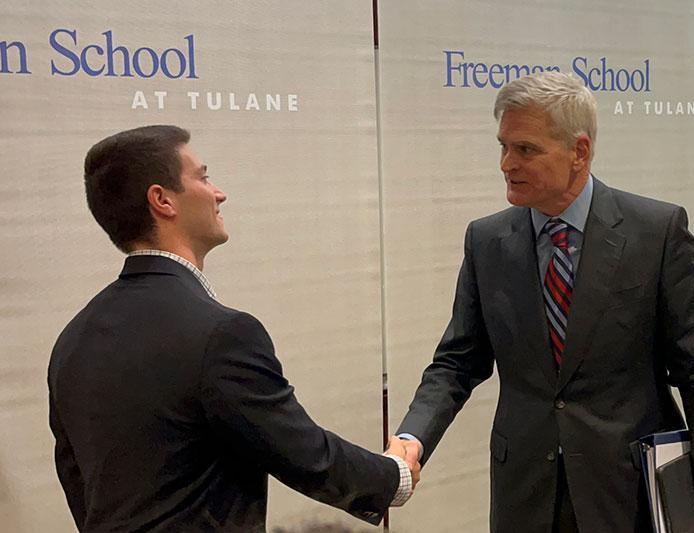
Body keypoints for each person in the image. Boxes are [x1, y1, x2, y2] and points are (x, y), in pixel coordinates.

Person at [396, 72, 694, 532]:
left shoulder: (655, 234)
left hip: (628, 493)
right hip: (525, 493)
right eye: (503, 146)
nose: (506, 163)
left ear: (579, 151)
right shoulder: (488, 241)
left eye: (525, 149)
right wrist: (411, 437)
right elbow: (457, 362)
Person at [48, 125, 419, 532]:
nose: (219, 193)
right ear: (162, 200)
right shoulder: (222, 334)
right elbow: (304, 453)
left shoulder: (72, 340)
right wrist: (394, 475)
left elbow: (78, 481)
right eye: (203, 177)